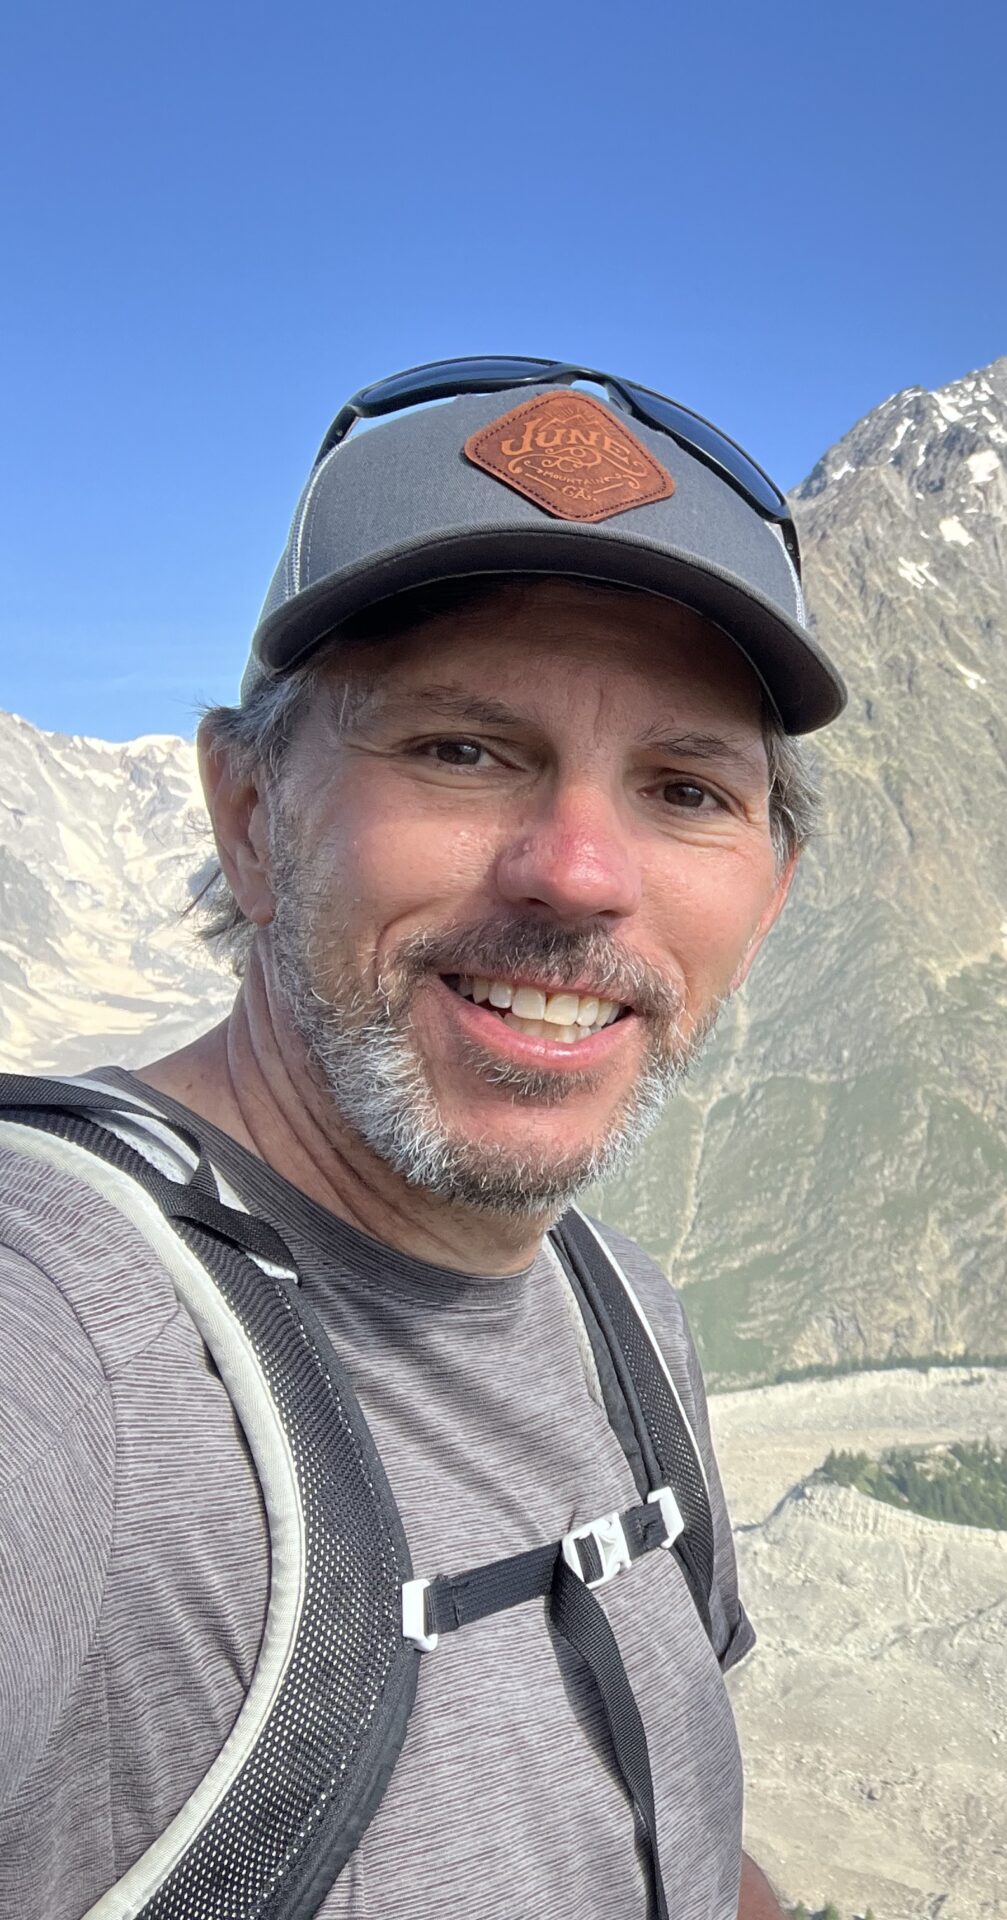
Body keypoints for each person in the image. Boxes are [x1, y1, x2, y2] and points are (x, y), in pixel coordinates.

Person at [0, 361, 843, 1920]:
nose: (582, 873)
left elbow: (647, 1835)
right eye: (464, 749)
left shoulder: (619, 1314)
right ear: (250, 816)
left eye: (684, 788)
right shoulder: (66, 1335)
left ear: (768, 894)